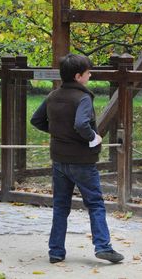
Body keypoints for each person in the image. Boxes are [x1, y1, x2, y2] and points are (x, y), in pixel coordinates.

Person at [30, 53, 124, 264]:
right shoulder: (83, 97)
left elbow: (36, 120)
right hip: (82, 161)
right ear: (78, 76)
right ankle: (103, 246)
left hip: (59, 160)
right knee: (96, 204)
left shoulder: (53, 95)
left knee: (60, 206)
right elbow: (82, 124)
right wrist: (93, 138)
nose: (90, 75)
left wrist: (58, 132)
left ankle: (55, 251)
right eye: (88, 72)